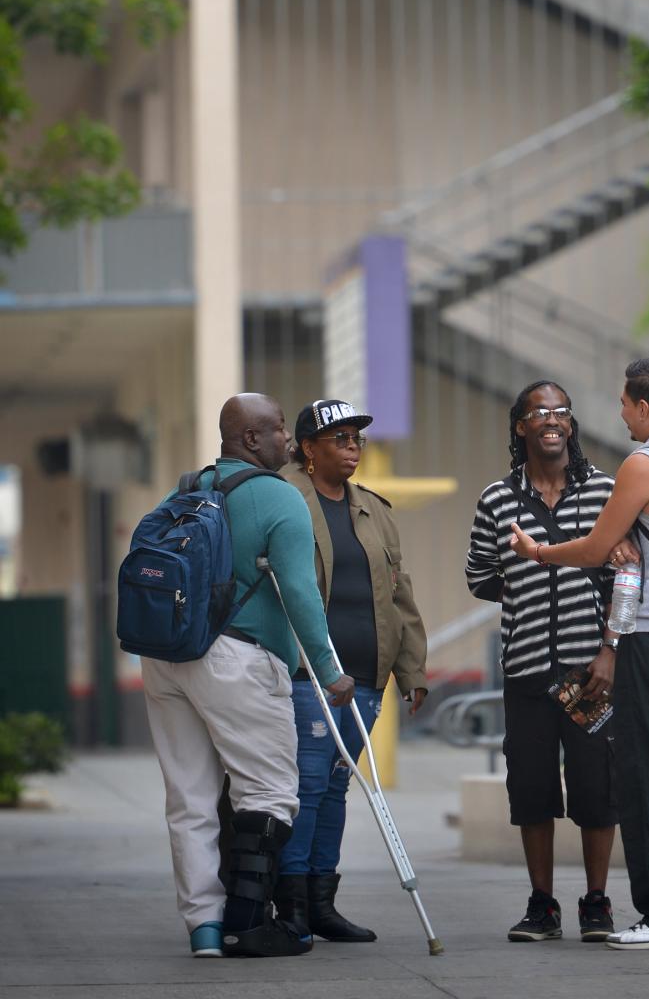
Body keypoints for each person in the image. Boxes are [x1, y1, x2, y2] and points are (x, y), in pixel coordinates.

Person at [509, 357, 649, 952]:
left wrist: (538, 552)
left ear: (645, 408)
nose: (621, 414)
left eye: (625, 405)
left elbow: (599, 548)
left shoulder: (644, 462)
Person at [141, 392, 355, 960]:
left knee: (189, 799)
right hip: (238, 659)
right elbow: (302, 596)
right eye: (280, 429)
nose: (288, 440)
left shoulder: (187, 489)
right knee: (271, 792)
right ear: (252, 440)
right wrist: (331, 673)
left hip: (165, 658)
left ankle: (205, 928)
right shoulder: (279, 498)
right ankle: (246, 920)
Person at [466, 380, 619, 943]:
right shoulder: (496, 500)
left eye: (561, 412)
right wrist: (528, 592)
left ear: (571, 425)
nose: (552, 420)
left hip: (590, 672)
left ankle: (598, 903)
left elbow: (625, 578)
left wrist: (610, 651)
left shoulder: (604, 492)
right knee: (530, 789)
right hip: (527, 669)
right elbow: (479, 575)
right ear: (521, 426)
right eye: (540, 412)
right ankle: (542, 905)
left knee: (597, 789)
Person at [274, 397, 429, 945]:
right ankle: (289, 906)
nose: (352, 448)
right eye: (340, 439)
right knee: (308, 786)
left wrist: (412, 671)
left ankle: (321, 905)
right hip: (307, 674)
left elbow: (398, 594)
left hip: (367, 674)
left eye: (357, 439)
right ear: (308, 449)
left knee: (339, 787)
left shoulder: (374, 508)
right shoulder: (284, 496)